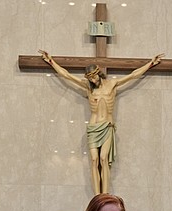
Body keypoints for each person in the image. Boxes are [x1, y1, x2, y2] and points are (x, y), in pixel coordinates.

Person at [39, 50, 164, 194]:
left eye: (94, 77)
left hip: (107, 126)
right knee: (93, 160)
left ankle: (105, 194)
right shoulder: (87, 86)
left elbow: (133, 75)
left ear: (98, 73)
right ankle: (96, 196)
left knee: (103, 159)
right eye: (90, 78)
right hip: (93, 127)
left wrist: (150, 64)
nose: (92, 81)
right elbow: (66, 75)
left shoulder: (112, 84)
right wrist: (51, 61)